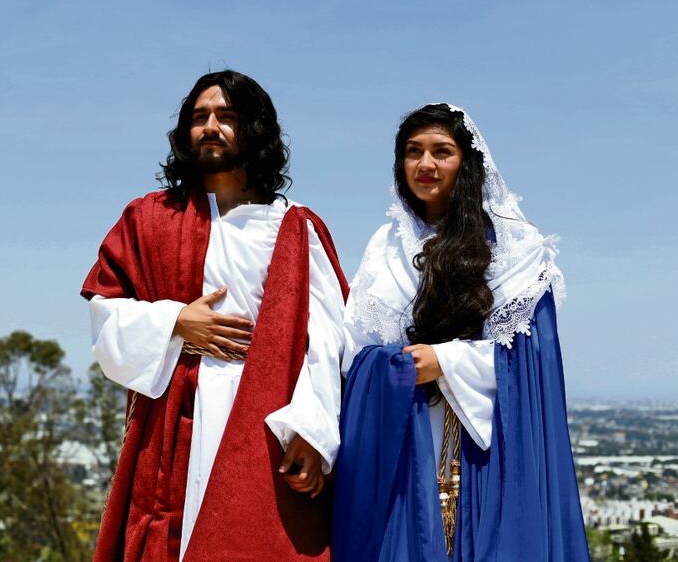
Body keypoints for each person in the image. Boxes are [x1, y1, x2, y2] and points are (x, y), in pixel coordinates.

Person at [82, 70, 349, 561]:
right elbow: (105, 316)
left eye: (227, 117)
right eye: (200, 117)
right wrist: (176, 323)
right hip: (170, 427)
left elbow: (327, 341)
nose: (211, 127)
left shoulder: (293, 228)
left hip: (263, 425)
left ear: (254, 131)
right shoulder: (149, 218)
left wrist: (311, 435)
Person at [332, 103, 589, 561]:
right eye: (413, 151)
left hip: (483, 443)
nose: (425, 164)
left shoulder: (514, 249)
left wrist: (444, 361)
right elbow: (351, 349)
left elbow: (531, 363)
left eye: (441, 151)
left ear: (466, 163)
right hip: (399, 443)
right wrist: (389, 367)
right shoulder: (383, 245)